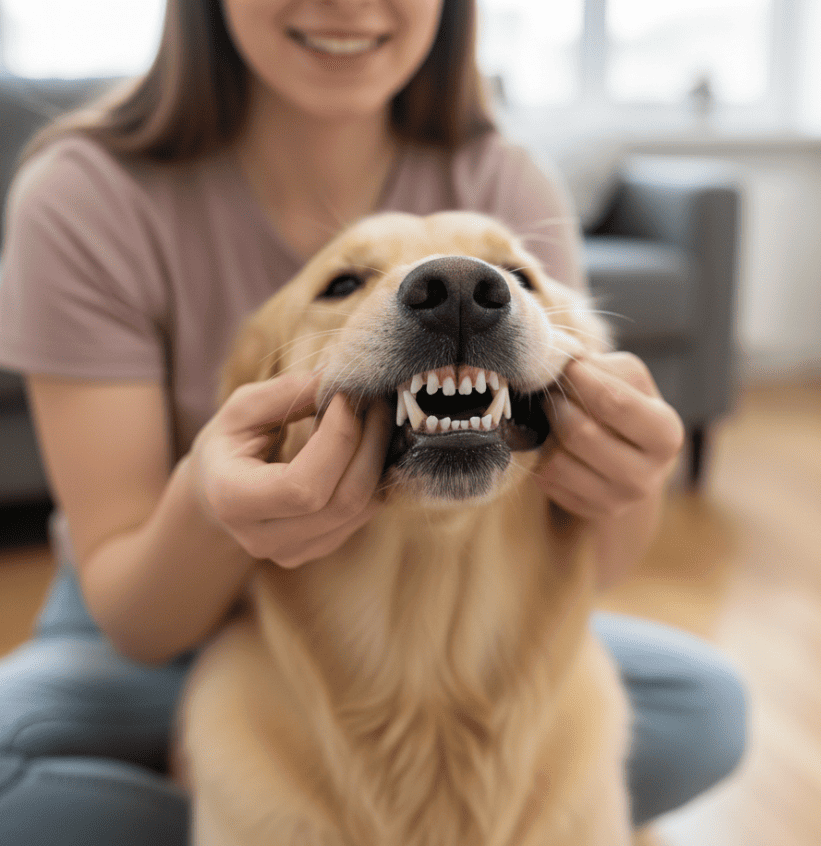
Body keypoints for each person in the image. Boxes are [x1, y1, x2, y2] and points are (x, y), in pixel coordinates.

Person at [0, 0, 748, 842]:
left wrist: (627, 475)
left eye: (506, 276)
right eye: (345, 283)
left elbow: (590, 558)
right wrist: (215, 505)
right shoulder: (80, 192)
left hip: (457, 618)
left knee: (711, 709)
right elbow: (141, 621)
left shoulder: (504, 175)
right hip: (149, 594)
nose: (347, 4)